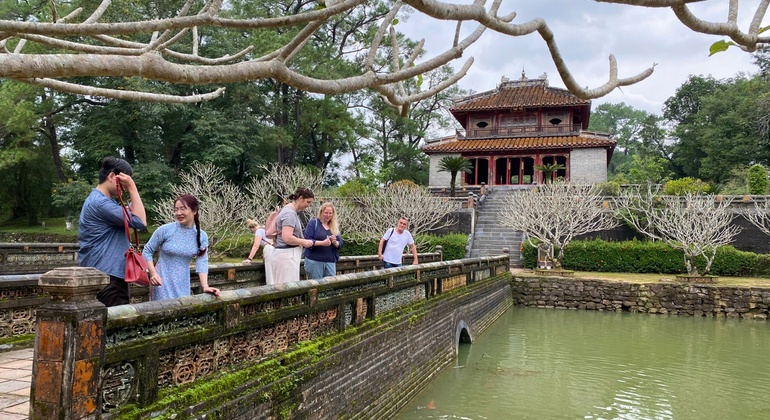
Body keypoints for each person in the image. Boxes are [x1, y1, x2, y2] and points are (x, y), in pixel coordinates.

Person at [79, 156, 147, 307]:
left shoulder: (102, 201)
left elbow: (134, 214)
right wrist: (132, 188)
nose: (123, 188)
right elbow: (140, 222)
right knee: (115, 324)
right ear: (111, 176)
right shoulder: (100, 203)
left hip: (104, 273)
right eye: (123, 183)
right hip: (109, 276)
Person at [142, 194, 220, 300]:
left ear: (194, 211)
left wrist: (205, 286)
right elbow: (147, 250)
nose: (178, 213)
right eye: (176, 209)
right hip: (162, 282)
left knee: (182, 312)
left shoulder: (202, 236)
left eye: (183, 209)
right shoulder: (165, 230)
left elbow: (202, 261)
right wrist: (153, 273)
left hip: (183, 283)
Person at [271, 188, 329, 284]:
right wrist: (304, 242)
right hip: (286, 255)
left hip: (287, 254)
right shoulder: (289, 213)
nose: (308, 205)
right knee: (286, 288)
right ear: (301, 198)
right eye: (308, 202)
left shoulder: (290, 211)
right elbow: (287, 237)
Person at [303, 202, 343, 279]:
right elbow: (307, 240)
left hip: (330, 262)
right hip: (314, 261)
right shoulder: (313, 223)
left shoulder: (334, 226)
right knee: (316, 286)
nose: (328, 215)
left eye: (330, 213)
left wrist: (335, 242)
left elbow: (340, 243)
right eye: (326, 213)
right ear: (321, 212)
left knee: (330, 287)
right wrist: (322, 243)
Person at [243, 218, 275, 285]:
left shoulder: (259, 231)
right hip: (275, 249)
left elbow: (256, 245)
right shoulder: (265, 228)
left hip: (269, 249)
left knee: (270, 274)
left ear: (252, 228)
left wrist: (249, 258)